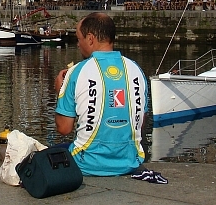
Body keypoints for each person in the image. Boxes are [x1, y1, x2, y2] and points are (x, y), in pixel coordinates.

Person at [54, 12, 149, 176]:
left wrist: (60, 92)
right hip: (130, 161)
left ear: (90, 39)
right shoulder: (136, 70)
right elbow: (140, 123)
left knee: (44, 156)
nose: (78, 44)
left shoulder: (77, 72)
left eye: (79, 39)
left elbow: (64, 128)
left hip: (87, 163)